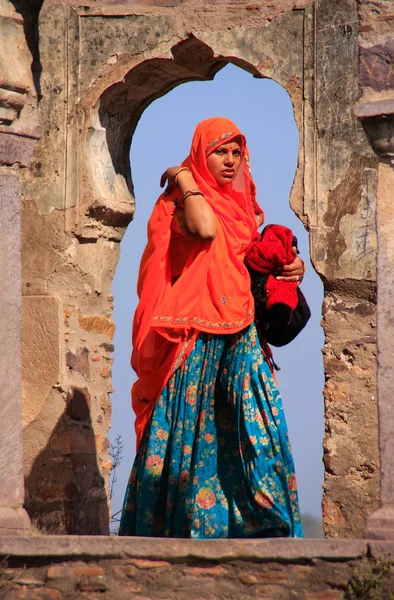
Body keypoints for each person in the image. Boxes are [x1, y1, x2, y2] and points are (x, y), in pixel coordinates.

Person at [119, 117, 305, 538]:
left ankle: (265, 530)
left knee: (258, 426)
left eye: (237, 152)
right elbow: (204, 230)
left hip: (241, 333)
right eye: (220, 151)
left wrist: (291, 269)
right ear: (201, 153)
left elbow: (246, 264)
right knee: (191, 436)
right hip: (194, 339)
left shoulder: (244, 211)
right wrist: (185, 176)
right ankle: (187, 534)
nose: (230, 160)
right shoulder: (180, 201)